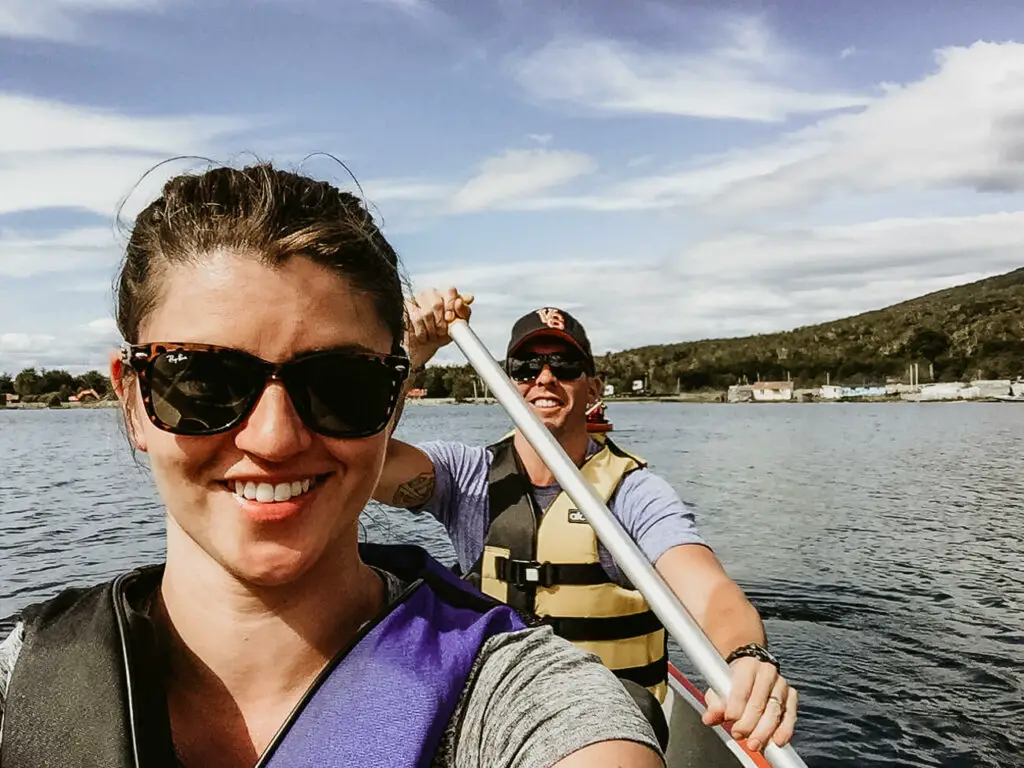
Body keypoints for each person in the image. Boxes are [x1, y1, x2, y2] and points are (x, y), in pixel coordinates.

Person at [0, 166, 664, 768]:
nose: (275, 439)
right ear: (133, 401)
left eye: (343, 385)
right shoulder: (20, 686)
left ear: (393, 405)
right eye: (202, 380)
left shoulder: (525, 703)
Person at [375, 289, 799, 755]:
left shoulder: (633, 493)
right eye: (526, 368)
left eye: (565, 366)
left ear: (593, 389)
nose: (544, 378)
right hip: (498, 717)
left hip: (606, 729)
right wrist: (410, 355)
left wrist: (746, 655)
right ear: (506, 383)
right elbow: (364, 465)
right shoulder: (465, 476)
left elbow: (710, 590)